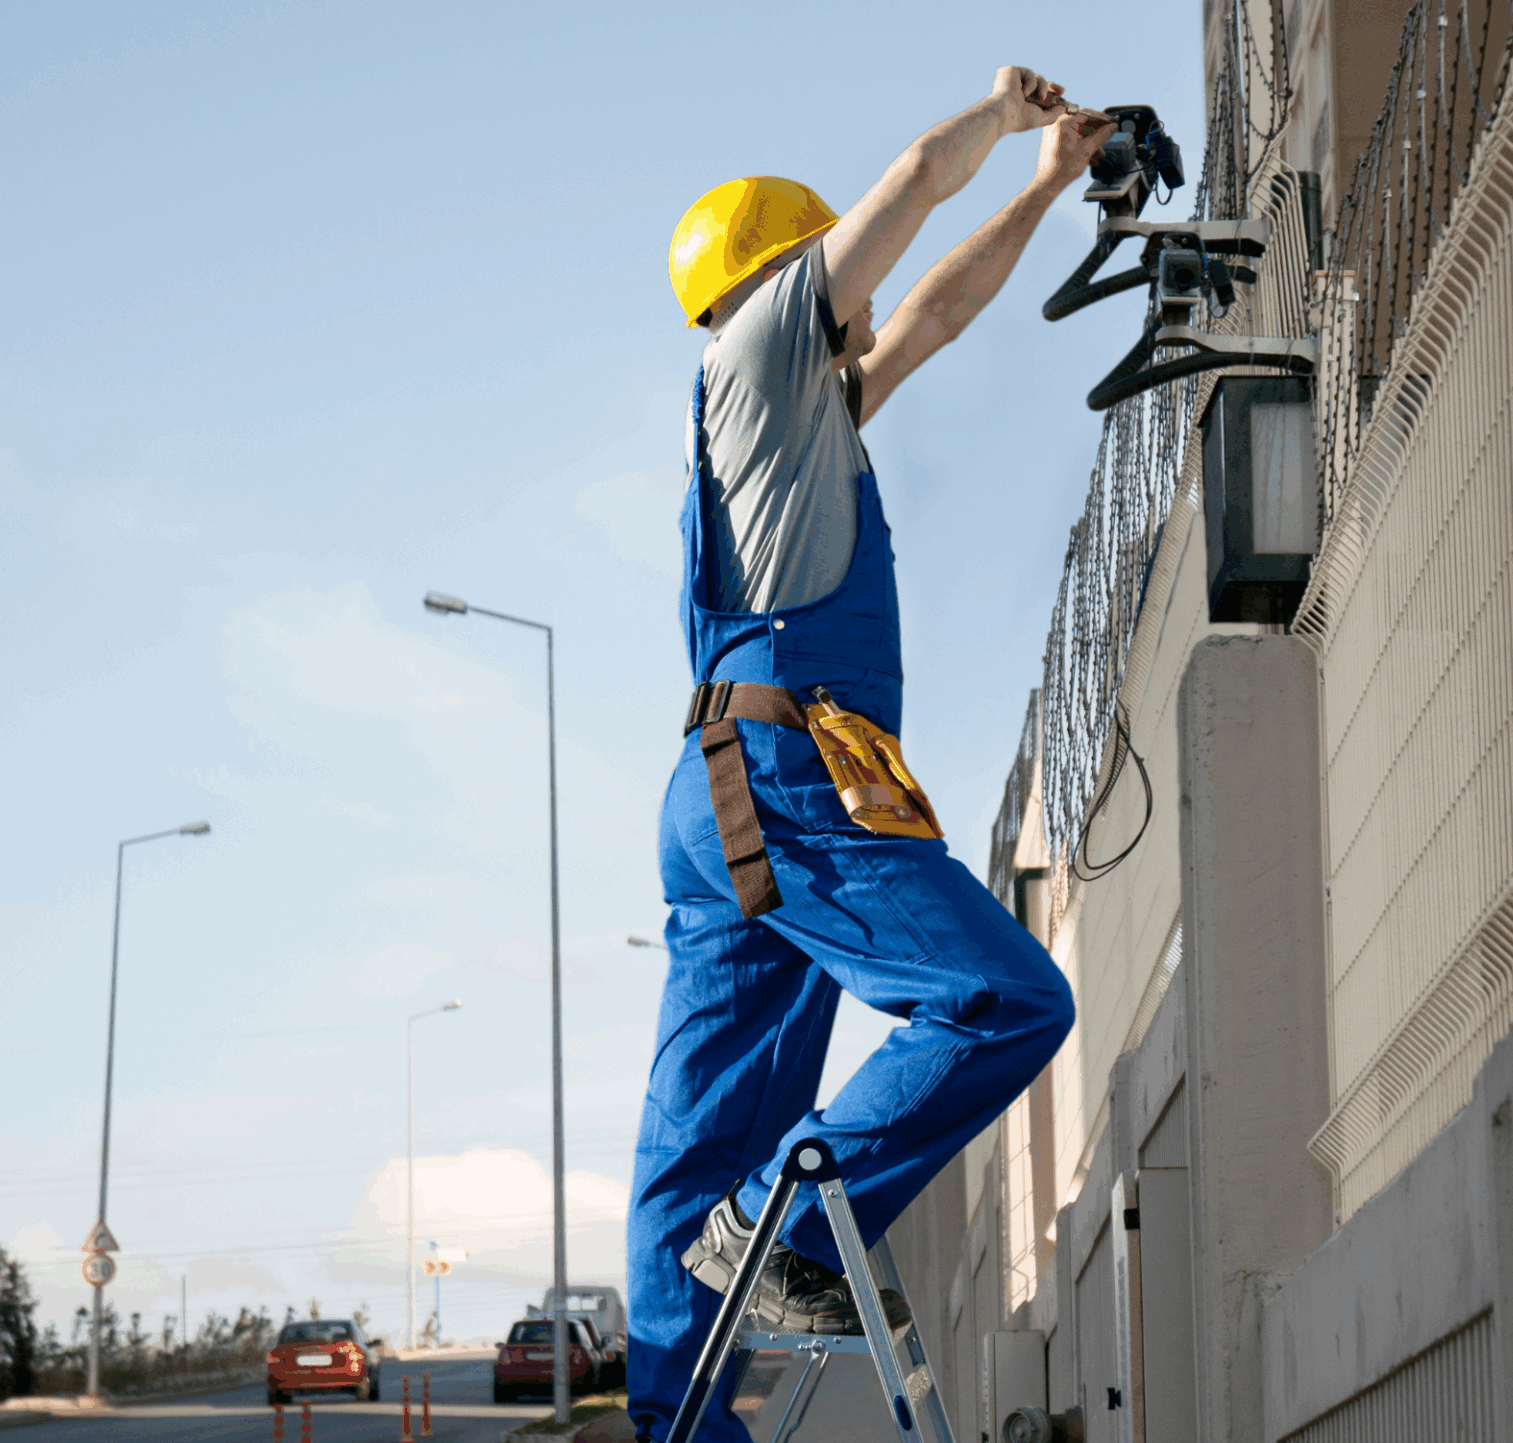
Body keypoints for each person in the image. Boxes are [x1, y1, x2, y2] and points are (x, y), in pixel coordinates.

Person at [626, 67, 1112, 1439]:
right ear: (788, 285)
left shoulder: (799, 422)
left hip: (725, 782)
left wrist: (1046, 186)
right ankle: (786, 1235)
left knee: (706, 1119)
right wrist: (997, 116)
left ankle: (679, 1414)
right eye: (837, 279)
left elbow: (942, 308)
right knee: (1003, 999)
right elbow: (905, 190)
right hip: (784, 775)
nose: (868, 303)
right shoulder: (752, 355)